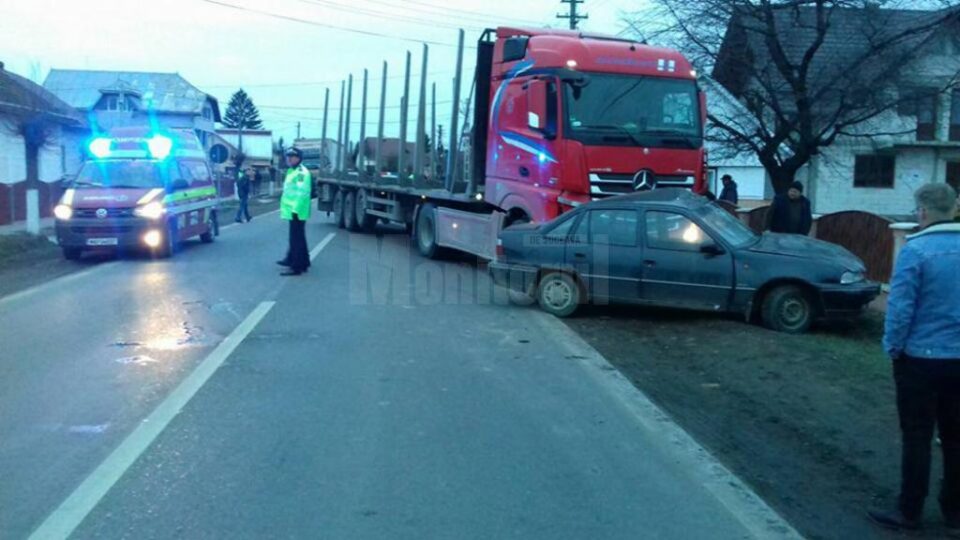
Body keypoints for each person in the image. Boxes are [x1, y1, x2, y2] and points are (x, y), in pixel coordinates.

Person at [869, 183, 960, 532]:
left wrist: (893, 347)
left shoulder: (916, 250)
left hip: (920, 360)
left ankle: (910, 511)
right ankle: (955, 515)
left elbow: (901, 308)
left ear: (922, 211)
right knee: (956, 438)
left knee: (917, 436)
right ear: (953, 207)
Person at [276, 148, 312, 276]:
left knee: (296, 239)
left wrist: (295, 209)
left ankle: (296, 267)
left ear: (299, 158)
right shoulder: (292, 171)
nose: (289, 158)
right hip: (291, 209)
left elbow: (302, 192)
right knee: (297, 237)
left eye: (292, 156)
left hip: (297, 210)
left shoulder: (301, 172)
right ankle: (300, 261)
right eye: (288, 156)